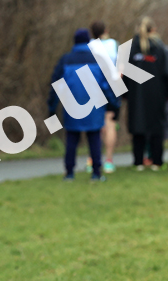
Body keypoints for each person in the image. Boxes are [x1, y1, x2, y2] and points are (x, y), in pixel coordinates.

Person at [48, 28, 120, 181]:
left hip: (72, 106)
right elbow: (106, 85)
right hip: (95, 106)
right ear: (88, 41)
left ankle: (69, 173)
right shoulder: (98, 60)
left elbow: (55, 85)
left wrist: (52, 108)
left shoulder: (65, 60)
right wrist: (114, 104)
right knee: (94, 139)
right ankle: (96, 173)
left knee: (72, 140)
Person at [123, 17, 168, 171]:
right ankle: (156, 162)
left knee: (138, 126)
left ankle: (138, 162)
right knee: (157, 128)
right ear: (153, 30)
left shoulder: (130, 49)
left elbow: (124, 76)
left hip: (137, 95)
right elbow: (166, 74)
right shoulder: (161, 49)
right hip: (157, 95)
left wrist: (126, 95)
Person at [88, 21, 120, 173]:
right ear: (106, 30)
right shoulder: (114, 44)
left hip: (94, 87)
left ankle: (92, 159)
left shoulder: (89, 46)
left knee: (94, 124)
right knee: (110, 122)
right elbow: (121, 68)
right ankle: (108, 161)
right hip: (112, 87)